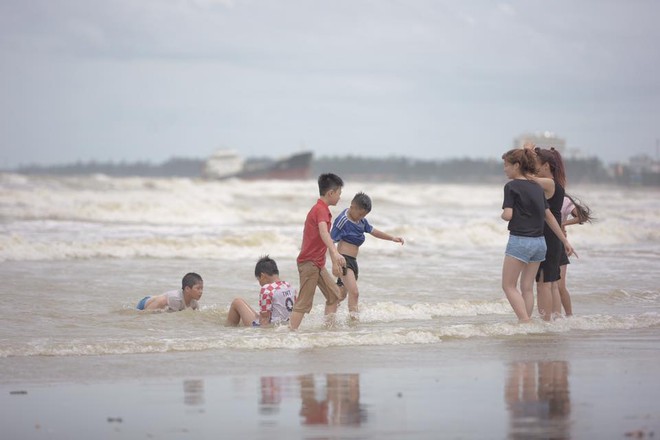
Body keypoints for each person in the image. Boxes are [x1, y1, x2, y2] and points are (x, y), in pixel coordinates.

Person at [500, 148, 575, 322]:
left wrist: (503, 215)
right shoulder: (536, 187)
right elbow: (548, 216)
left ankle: (525, 320)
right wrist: (564, 240)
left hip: (520, 241)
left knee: (508, 286)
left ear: (517, 165)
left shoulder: (510, 186)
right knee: (527, 287)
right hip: (540, 243)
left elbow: (508, 215)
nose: (504, 169)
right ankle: (527, 323)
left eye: (506, 165)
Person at [331, 192, 404, 319]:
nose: (361, 217)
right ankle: (354, 322)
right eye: (360, 214)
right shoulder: (343, 220)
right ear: (352, 206)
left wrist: (392, 238)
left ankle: (328, 319)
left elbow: (373, 231)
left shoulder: (361, 221)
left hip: (353, 262)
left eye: (364, 215)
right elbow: (330, 241)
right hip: (344, 260)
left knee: (340, 295)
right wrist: (334, 262)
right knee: (355, 293)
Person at [289, 173, 346, 330]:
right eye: (339, 193)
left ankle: (328, 331)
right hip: (309, 263)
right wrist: (334, 252)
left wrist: (333, 260)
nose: (340, 197)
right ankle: (289, 334)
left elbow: (323, 236)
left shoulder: (322, 209)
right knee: (304, 302)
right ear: (331, 193)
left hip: (317, 264)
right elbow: (323, 232)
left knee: (334, 295)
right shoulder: (320, 210)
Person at [528, 146, 568, 321]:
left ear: (546, 165)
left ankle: (545, 323)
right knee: (551, 284)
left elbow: (527, 178)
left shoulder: (549, 183)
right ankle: (556, 320)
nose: (534, 167)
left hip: (549, 236)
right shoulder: (555, 183)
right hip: (554, 236)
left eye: (536, 163)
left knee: (544, 284)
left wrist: (526, 155)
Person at [226, 255, 297, 327]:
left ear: (262, 276)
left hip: (269, 327)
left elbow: (264, 318)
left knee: (237, 302)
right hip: (285, 324)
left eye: (258, 280)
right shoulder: (289, 286)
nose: (260, 283)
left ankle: (229, 329)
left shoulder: (267, 289)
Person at [556, 194, 594, 316]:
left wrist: (563, 224)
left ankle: (569, 316)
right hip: (541, 242)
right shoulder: (539, 195)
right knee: (547, 286)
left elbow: (581, 217)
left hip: (559, 244)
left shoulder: (563, 199)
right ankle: (553, 317)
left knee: (559, 286)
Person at [136, 272, 203, 311]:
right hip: (144, 304)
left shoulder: (194, 303)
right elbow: (161, 301)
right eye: (198, 288)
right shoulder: (175, 298)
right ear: (187, 289)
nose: (201, 291)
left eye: (202, 288)